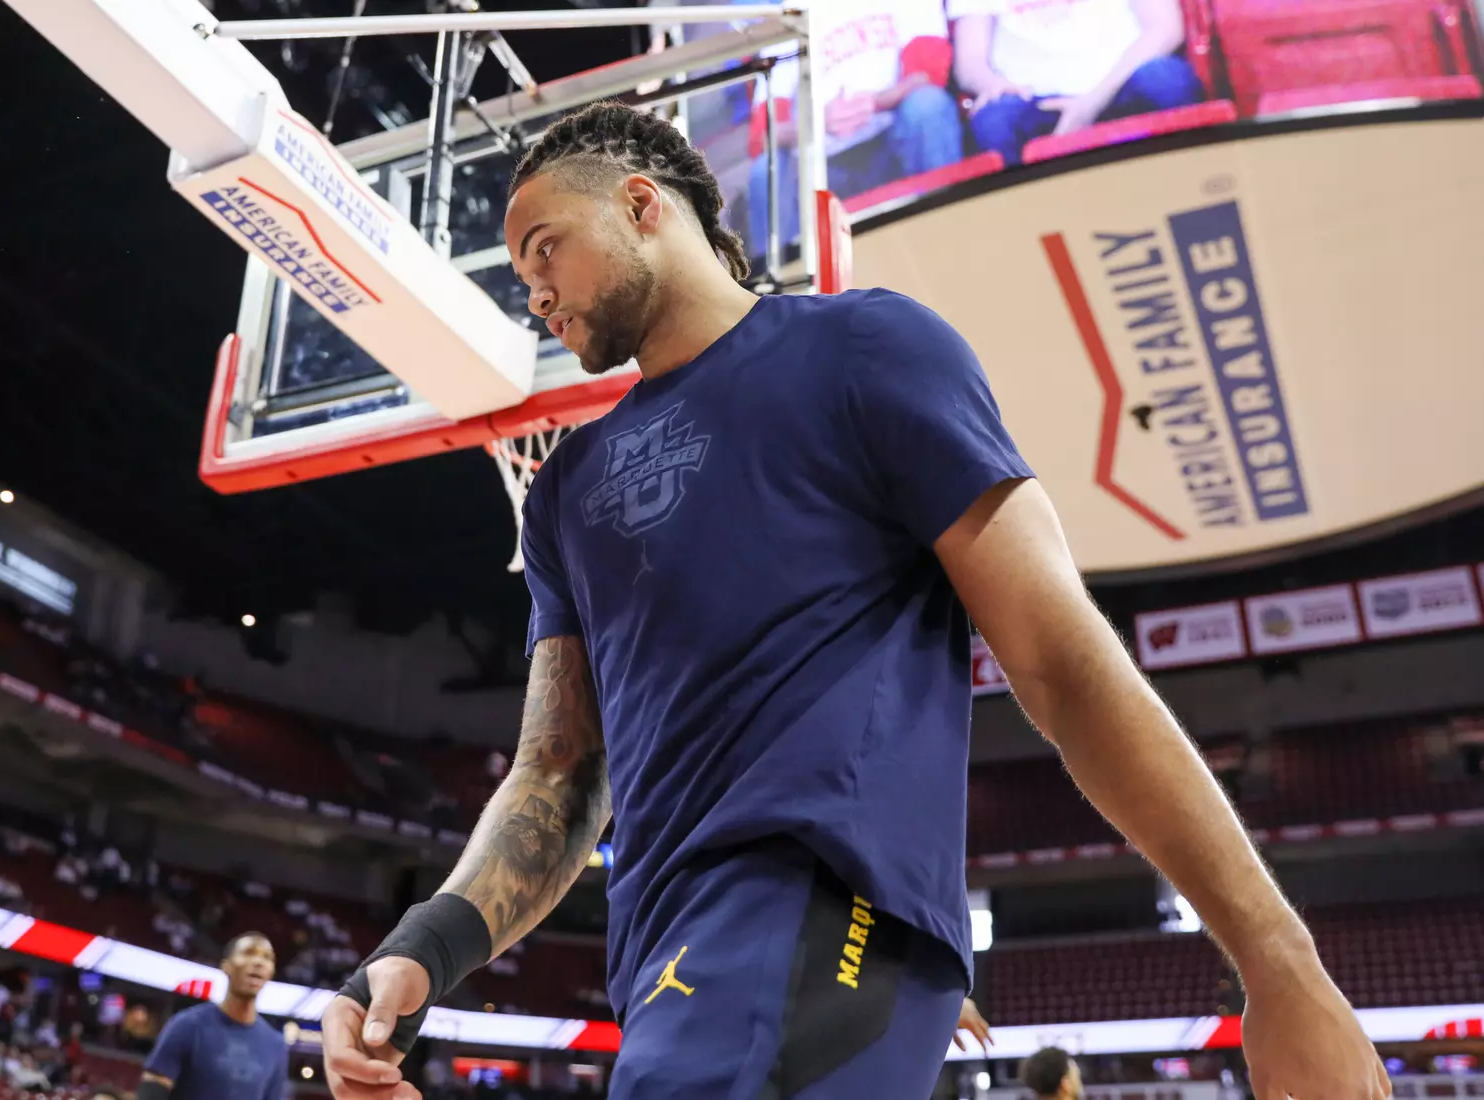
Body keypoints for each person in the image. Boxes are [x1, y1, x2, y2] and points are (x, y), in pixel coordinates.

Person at [321, 102, 1388, 1100]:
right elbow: (559, 772)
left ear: (644, 204)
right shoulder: (562, 490)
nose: (534, 291)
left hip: (819, 905)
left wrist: (1277, 957)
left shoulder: (867, 349)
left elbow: (1064, 660)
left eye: (545, 246)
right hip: (667, 955)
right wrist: (428, 942)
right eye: (519, 273)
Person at [747, 0, 963, 257]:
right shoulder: (790, 14)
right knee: (765, 171)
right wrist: (818, 122)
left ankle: (951, 235)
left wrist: (875, 102)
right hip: (823, 163)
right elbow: (764, 133)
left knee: (928, 106)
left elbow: (928, 74)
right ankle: (787, 290)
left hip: (894, 133)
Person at [949, 0, 1206, 165]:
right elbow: (970, 62)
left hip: (1121, 84)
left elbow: (1165, 29)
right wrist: (991, 84)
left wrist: (1091, 102)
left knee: (1167, 81)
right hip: (1035, 102)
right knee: (994, 121)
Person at [137, 933, 287, 1100]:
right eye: (248, 953)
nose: (258, 962)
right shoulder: (187, 1026)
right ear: (226, 966)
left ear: (271, 972)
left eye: (267, 958)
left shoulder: (276, 1045)